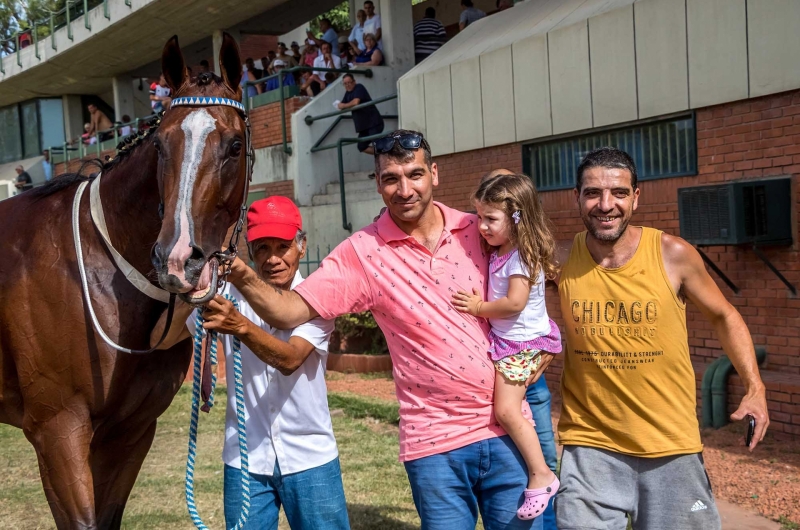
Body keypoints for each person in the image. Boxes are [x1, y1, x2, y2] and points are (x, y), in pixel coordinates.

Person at [223, 130, 545, 530]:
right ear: (377, 184)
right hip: (433, 442)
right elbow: (289, 312)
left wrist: (542, 346)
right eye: (391, 178)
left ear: (435, 174)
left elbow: (533, 279)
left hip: (508, 428)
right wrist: (237, 272)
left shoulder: (479, 230)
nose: (404, 189)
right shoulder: (361, 254)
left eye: (415, 174)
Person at [553, 147, 770, 529]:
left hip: (670, 446)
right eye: (592, 193)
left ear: (636, 197)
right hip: (590, 447)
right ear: (576, 197)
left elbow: (725, 315)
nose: (606, 205)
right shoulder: (560, 260)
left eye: (619, 193)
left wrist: (755, 387)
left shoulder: (672, 254)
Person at [153, 196, 350, 530]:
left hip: (310, 457)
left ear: (301, 247)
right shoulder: (228, 296)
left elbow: (289, 360)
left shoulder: (317, 297)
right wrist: (194, 286)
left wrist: (239, 327)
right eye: (261, 248)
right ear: (248, 250)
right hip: (245, 461)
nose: (272, 259)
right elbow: (162, 338)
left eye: (282, 247)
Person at [451, 173, 562, 520]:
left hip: (520, 346)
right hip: (515, 342)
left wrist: (479, 308)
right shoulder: (506, 249)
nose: (481, 226)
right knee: (511, 412)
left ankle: (542, 475)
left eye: (490, 219)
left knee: (507, 412)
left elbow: (515, 303)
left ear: (517, 219)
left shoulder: (520, 257)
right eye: (479, 217)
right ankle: (541, 473)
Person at [336, 74, 384, 155]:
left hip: (373, 123)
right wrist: (341, 105)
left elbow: (355, 102)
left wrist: (343, 105)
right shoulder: (347, 93)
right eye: (345, 83)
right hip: (364, 127)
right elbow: (341, 105)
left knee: (377, 145)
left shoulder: (359, 87)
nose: (347, 85)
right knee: (361, 146)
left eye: (349, 82)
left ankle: (386, 157)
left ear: (354, 82)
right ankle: (385, 153)